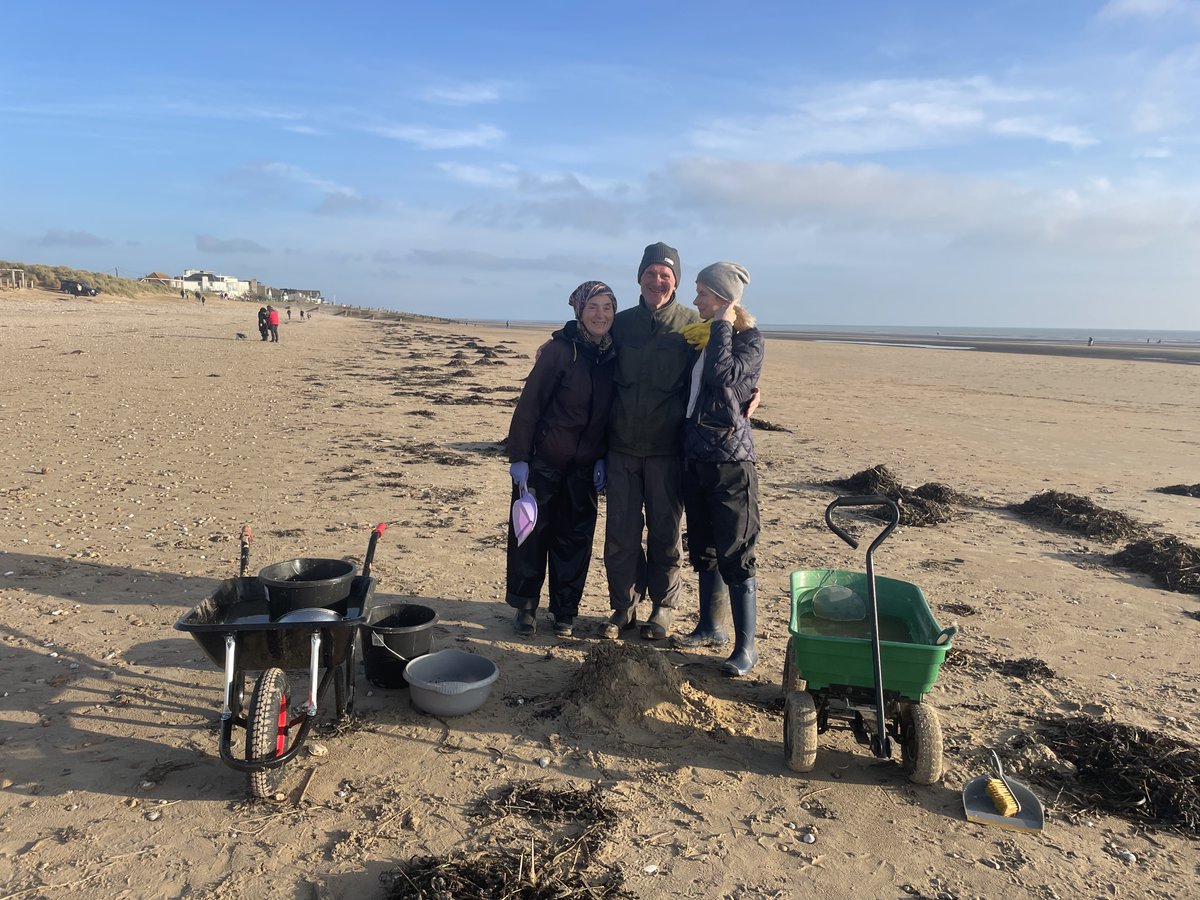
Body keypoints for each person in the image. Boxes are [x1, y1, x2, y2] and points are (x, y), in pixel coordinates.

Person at [602, 242, 703, 641]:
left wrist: (752, 390)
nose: (657, 281)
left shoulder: (692, 324)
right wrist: (554, 341)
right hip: (621, 448)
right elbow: (587, 341)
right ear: (639, 277)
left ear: (675, 281)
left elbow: (725, 362)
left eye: (665, 274)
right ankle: (623, 607)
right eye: (650, 273)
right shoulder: (621, 323)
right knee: (621, 534)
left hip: (668, 450)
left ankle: (663, 607)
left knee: (665, 532)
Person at [505, 282, 617, 638]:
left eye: (607, 307)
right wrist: (520, 457)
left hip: (584, 469)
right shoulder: (559, 351)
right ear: (579, 311)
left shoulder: (612, 355)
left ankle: (564, 610)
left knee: (575, 541)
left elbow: (610, 415)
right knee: (530, 537)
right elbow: (529, 406)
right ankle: (525, 607)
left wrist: (602, 458)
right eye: (593, 307)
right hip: (543, 464)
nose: (600, 315)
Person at [679, 262, 764, 676]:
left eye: (703, 293)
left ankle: (747, 648)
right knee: (705, 548)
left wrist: (724, 325)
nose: (696, 300)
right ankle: (710, 627)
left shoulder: (747, 339)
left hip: (732, 462)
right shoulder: (701, 338)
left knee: (737, 552)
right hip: (696, 457)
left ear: (725, 300)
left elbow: (723, 373)